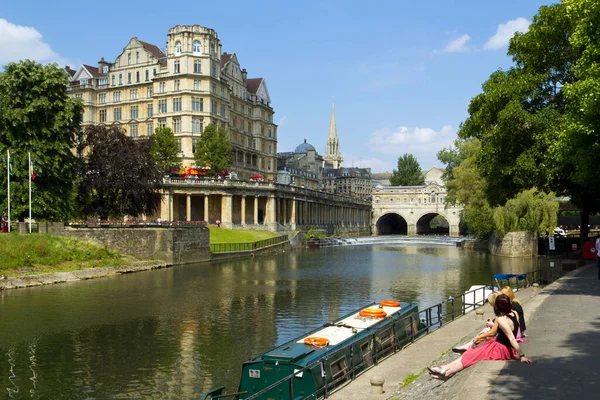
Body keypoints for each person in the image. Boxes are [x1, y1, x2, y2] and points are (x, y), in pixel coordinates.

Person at [428, 294, 532, 380]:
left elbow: (511, 338)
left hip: (500, 349)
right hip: (498, 344)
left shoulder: (501, 319)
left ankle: (447, 373)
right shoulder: (515, 313)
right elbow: (514, 331)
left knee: (470, 356)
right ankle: (444, 368)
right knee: (470, 353)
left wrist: (522, 355)